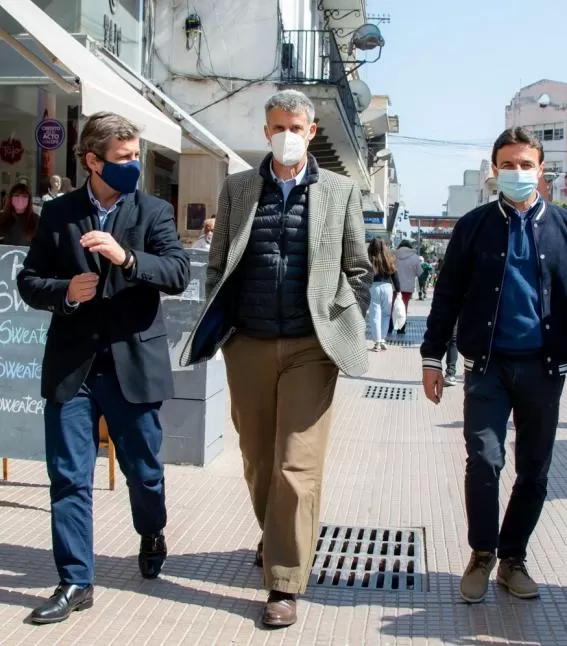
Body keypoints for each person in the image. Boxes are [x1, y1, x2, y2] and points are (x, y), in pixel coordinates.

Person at [180, 89, 370, 628]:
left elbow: (357, 266)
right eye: (276, 126)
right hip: (250, 345)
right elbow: (217, 265)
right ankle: (278, 533)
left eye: (295, 126)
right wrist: (228, 330)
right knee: (259, 459)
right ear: (266, 132)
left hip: (313, 348)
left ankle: (284, 581)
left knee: (296, 465)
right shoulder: (239, 187)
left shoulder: (339, 190)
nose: (286, 134)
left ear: (311, 131)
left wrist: (342, 317)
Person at [17, 111, 190, 624]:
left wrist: (128, 258)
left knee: (144, 472)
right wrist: (64, 293)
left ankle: (151, 528)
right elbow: (29, 281)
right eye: (123, 159)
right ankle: (75, 580)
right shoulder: (59, 213)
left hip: (132, 363)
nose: (133, 165)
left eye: (136, 156)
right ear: (93, 161)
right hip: (73, 366)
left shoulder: (154, 211)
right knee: (68, 476)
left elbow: (177, 272)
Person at [421, 127, 567, 604]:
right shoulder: (474, 226)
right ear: (494, 169)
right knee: (484, 459)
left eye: (526, 164)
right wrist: (431, 356)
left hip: (544, 370)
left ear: (541, 170)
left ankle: (512, 558)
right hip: (487, 365)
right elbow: (447, 296)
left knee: (534, 470)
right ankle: (482, 553)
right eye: (508, 164)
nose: (517, 172)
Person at [368, 237, 399, 351]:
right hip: (387, 287)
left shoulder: (369, 258)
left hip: (373, 287)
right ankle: (382, 340)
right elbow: (395, 274)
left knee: (375, 315)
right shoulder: (389, 257)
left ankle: (377, 342)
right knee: (386, 315)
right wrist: (399, 291)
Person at [393, 239, 422, 333]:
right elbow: (419, 273)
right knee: (404, 306)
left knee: (393, 306)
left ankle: (389, 326)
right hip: (408, 287)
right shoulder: (415, 257)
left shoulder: (394, 255)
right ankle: (401, 328)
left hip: (394, 286)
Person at [0, 181, 39, 245]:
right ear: (10, 198)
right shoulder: (1, 217)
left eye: (24, 196)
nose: (20, 199)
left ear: (29, 200)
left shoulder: (37, 220)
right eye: (16, 195)